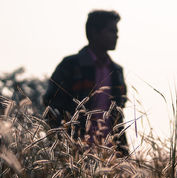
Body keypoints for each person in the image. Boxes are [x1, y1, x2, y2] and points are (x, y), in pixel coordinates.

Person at [43, 10, 128, 156]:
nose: (117, 35)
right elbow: (52, 105)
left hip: (111, 151)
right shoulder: (71, 65)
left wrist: (122, 150)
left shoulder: (116, 71)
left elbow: (119, 112)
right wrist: (62, 142)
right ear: (95, 32)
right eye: (111, 31)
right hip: (76, 150)